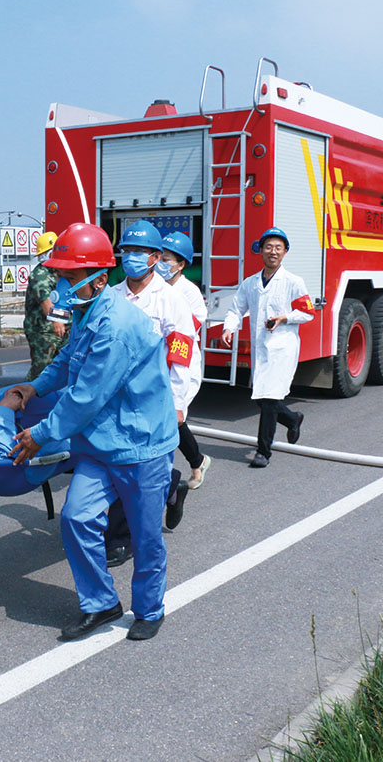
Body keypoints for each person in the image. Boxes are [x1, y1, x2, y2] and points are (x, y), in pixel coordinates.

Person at [8, 222, 178, 642]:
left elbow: (85, 397)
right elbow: (66, 362)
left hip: (141, 446)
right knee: (77, 517)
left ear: (99, 278)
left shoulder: (117, 326)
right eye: (62, 276)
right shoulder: (88, 312)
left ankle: (149, 607)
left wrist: (39, 435)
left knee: (144, 536)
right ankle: (101, 603)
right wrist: (35, 386)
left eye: (69, 278)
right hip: (101, 445)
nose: (64, 286)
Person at [104, 220, 198, 557]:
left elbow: (181, 354)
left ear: (155, 257)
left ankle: (121, 538)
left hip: (155, 399)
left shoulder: (170, 300)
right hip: (116, 398)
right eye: (127, 250)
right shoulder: (111, 297)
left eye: (139, 252)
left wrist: (177, 401)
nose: (131, 257)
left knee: (140, 470)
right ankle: (170, 488)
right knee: (118, 462)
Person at [219, 227, 315, 468]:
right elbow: (236, 309)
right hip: (261, 348)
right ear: (260, 250)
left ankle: (263, 451)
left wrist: (285, 317)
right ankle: (293, 419)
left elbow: (308, 312)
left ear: (285, 252)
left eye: (278, 248)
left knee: (270, 400)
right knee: (261, 398)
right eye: (269, 247)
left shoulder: (293, 282)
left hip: (282, 348)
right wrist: (229, 328)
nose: (273, 252)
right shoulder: (250, 283)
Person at [158, 230, 212, 489]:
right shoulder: (152, 286)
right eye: (159, 257)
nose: (161, 264)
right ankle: (197, 461)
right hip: (156, 362)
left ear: (181, 265)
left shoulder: (188, 291)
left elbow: (191, 325)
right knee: (166, 418)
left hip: (182, 362)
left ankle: (192, 464)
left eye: (166, 260)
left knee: (173, 417)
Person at [23, 230, 69, 380]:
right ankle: (25, 396)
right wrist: (57, 320)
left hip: (64, 327)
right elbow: (45, 300)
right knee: (41, 368)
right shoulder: (40, 274)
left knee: (64, 366)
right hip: (42, 330)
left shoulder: (61, 272)